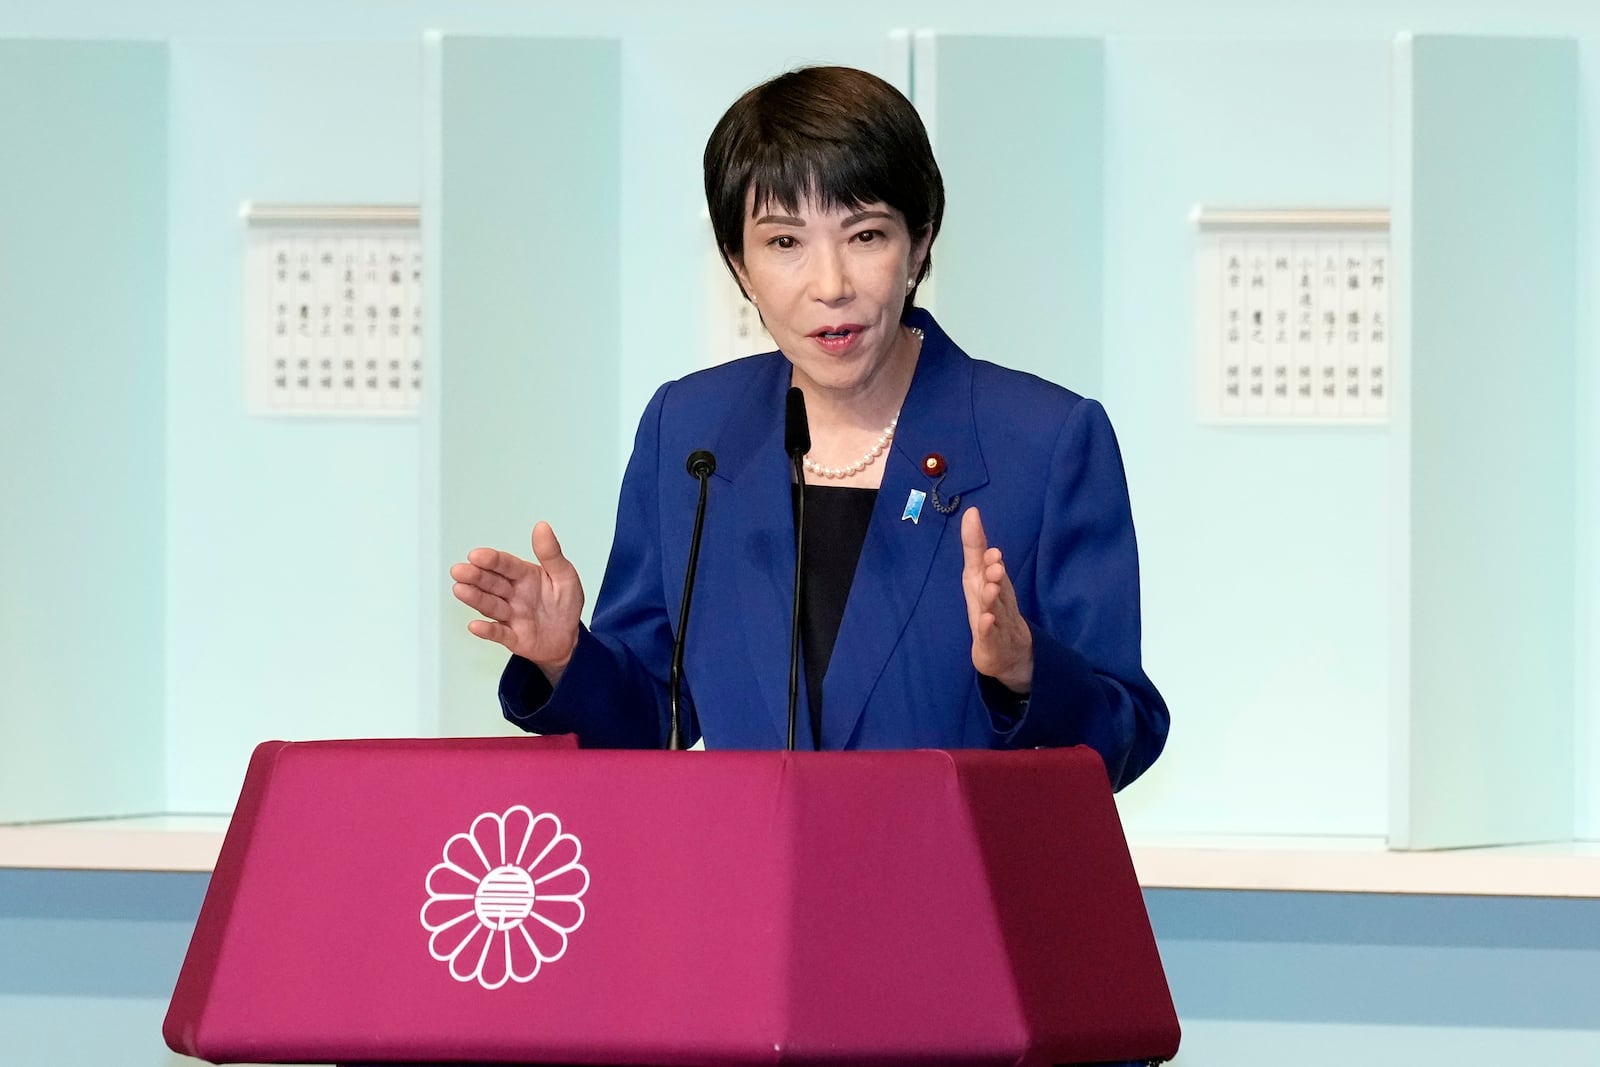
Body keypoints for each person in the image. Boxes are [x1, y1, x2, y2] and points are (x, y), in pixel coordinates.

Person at [450, 66, 1167, 791]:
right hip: (749, 892)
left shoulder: (1043, 441)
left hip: (953, 895)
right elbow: (654, 717)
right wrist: (563, 656)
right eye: (785, 243)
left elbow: (1127, 731)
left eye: (864, 235)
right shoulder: (692, 435)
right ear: (740, 265)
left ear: (918, 245)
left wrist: (1025, 671)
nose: (830, 284)